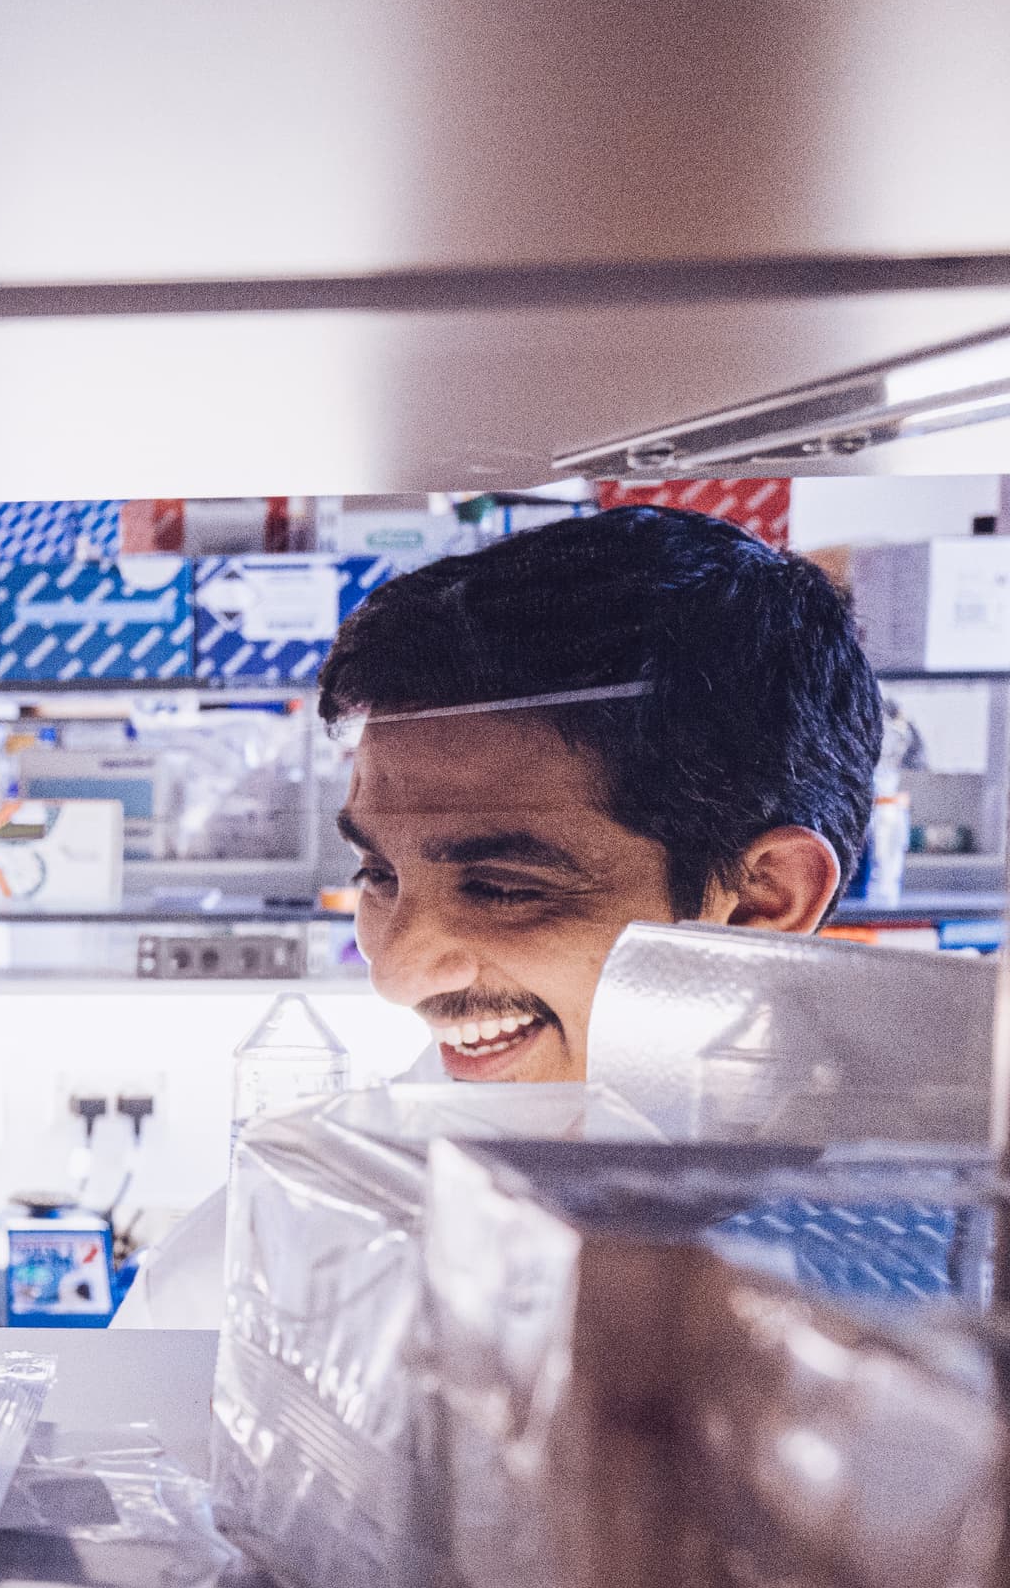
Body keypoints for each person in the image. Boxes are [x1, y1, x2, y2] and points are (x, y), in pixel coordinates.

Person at [115, 504, 880, 1326]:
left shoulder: (931, 1236)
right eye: (378, 873)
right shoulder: (283, 1252)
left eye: (503, 888)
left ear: (765, 898)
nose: (400, 974)